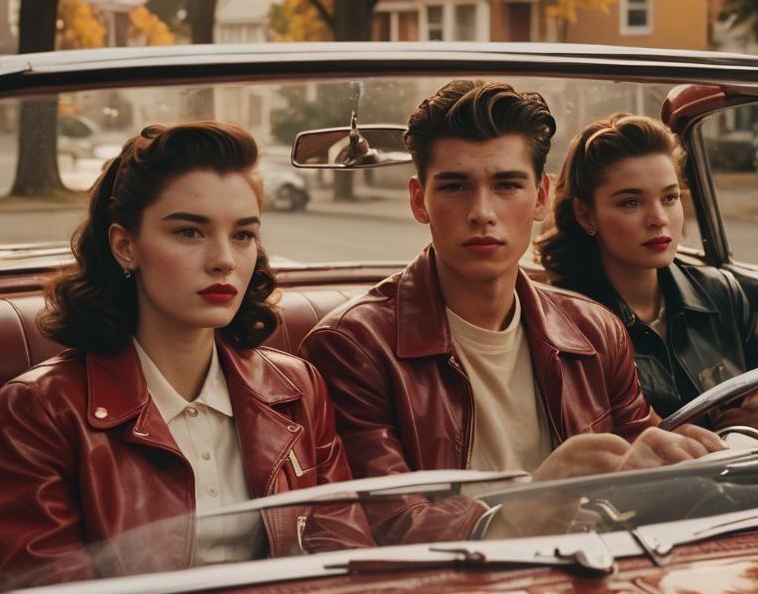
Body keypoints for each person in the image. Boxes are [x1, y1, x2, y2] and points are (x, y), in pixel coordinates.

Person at [300, 81, 724, 547]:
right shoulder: (353, 346)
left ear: (542, 198)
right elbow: (387, 523)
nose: (482, 212)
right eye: (456, 186)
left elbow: (644, 459)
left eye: (507, 185)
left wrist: (674, 464)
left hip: (593, 580)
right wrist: (544, 494)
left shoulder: (596, 330)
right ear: (420, 200)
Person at [0, 121, 370, 590]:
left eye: (243, 235)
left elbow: (349, 569)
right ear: (126, 246)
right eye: (189, 232)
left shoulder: (297, 389)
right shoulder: (42, 410)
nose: (224, 259)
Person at [536, 112, 758, 434]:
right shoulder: (567, 323)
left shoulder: (721, 293)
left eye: (670, 198)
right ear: (586, 214)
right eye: (631, 202)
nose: (658, 218)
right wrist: (719, 438)